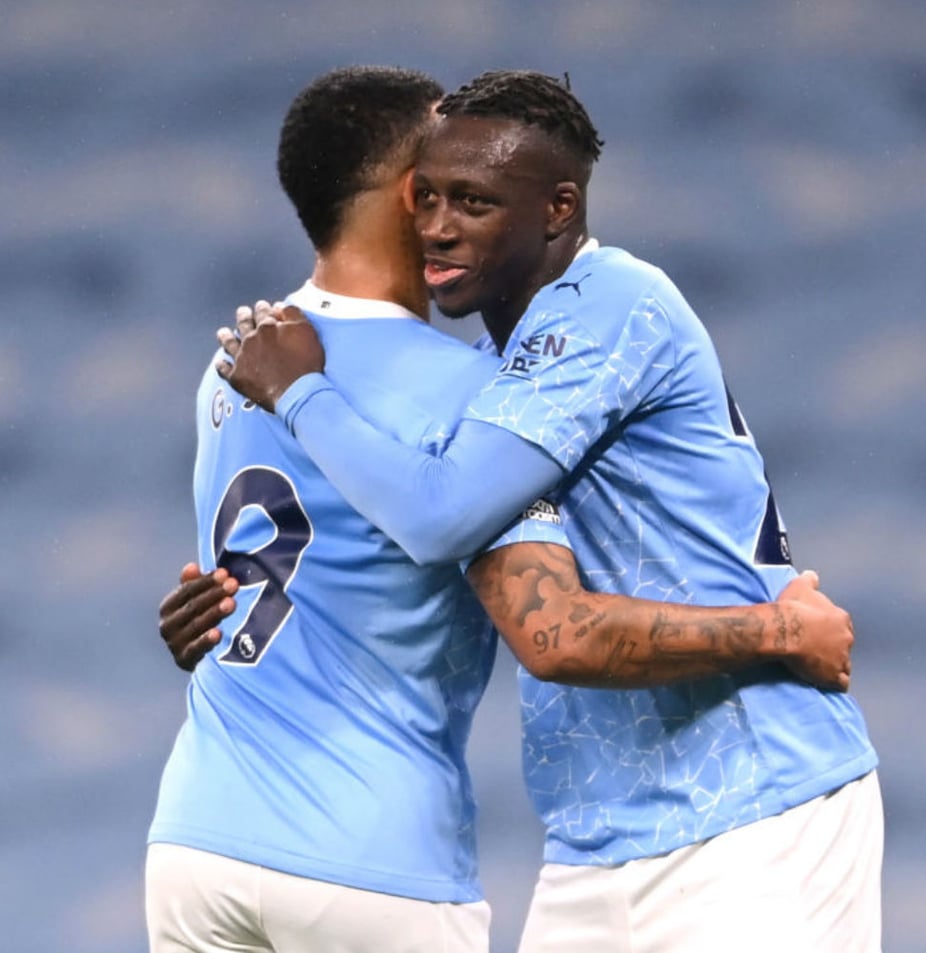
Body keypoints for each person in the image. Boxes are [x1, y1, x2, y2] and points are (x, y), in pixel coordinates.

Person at [149, 67, 858, 953]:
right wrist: (213, 611)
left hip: (752, 795)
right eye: (435, 191)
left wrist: (303, 396)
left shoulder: (252, 361)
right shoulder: (465, 367)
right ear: (407, 194)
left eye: (472, 196)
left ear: (555, 208)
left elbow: (509, 587)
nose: (443, 220)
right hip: (587, 832)